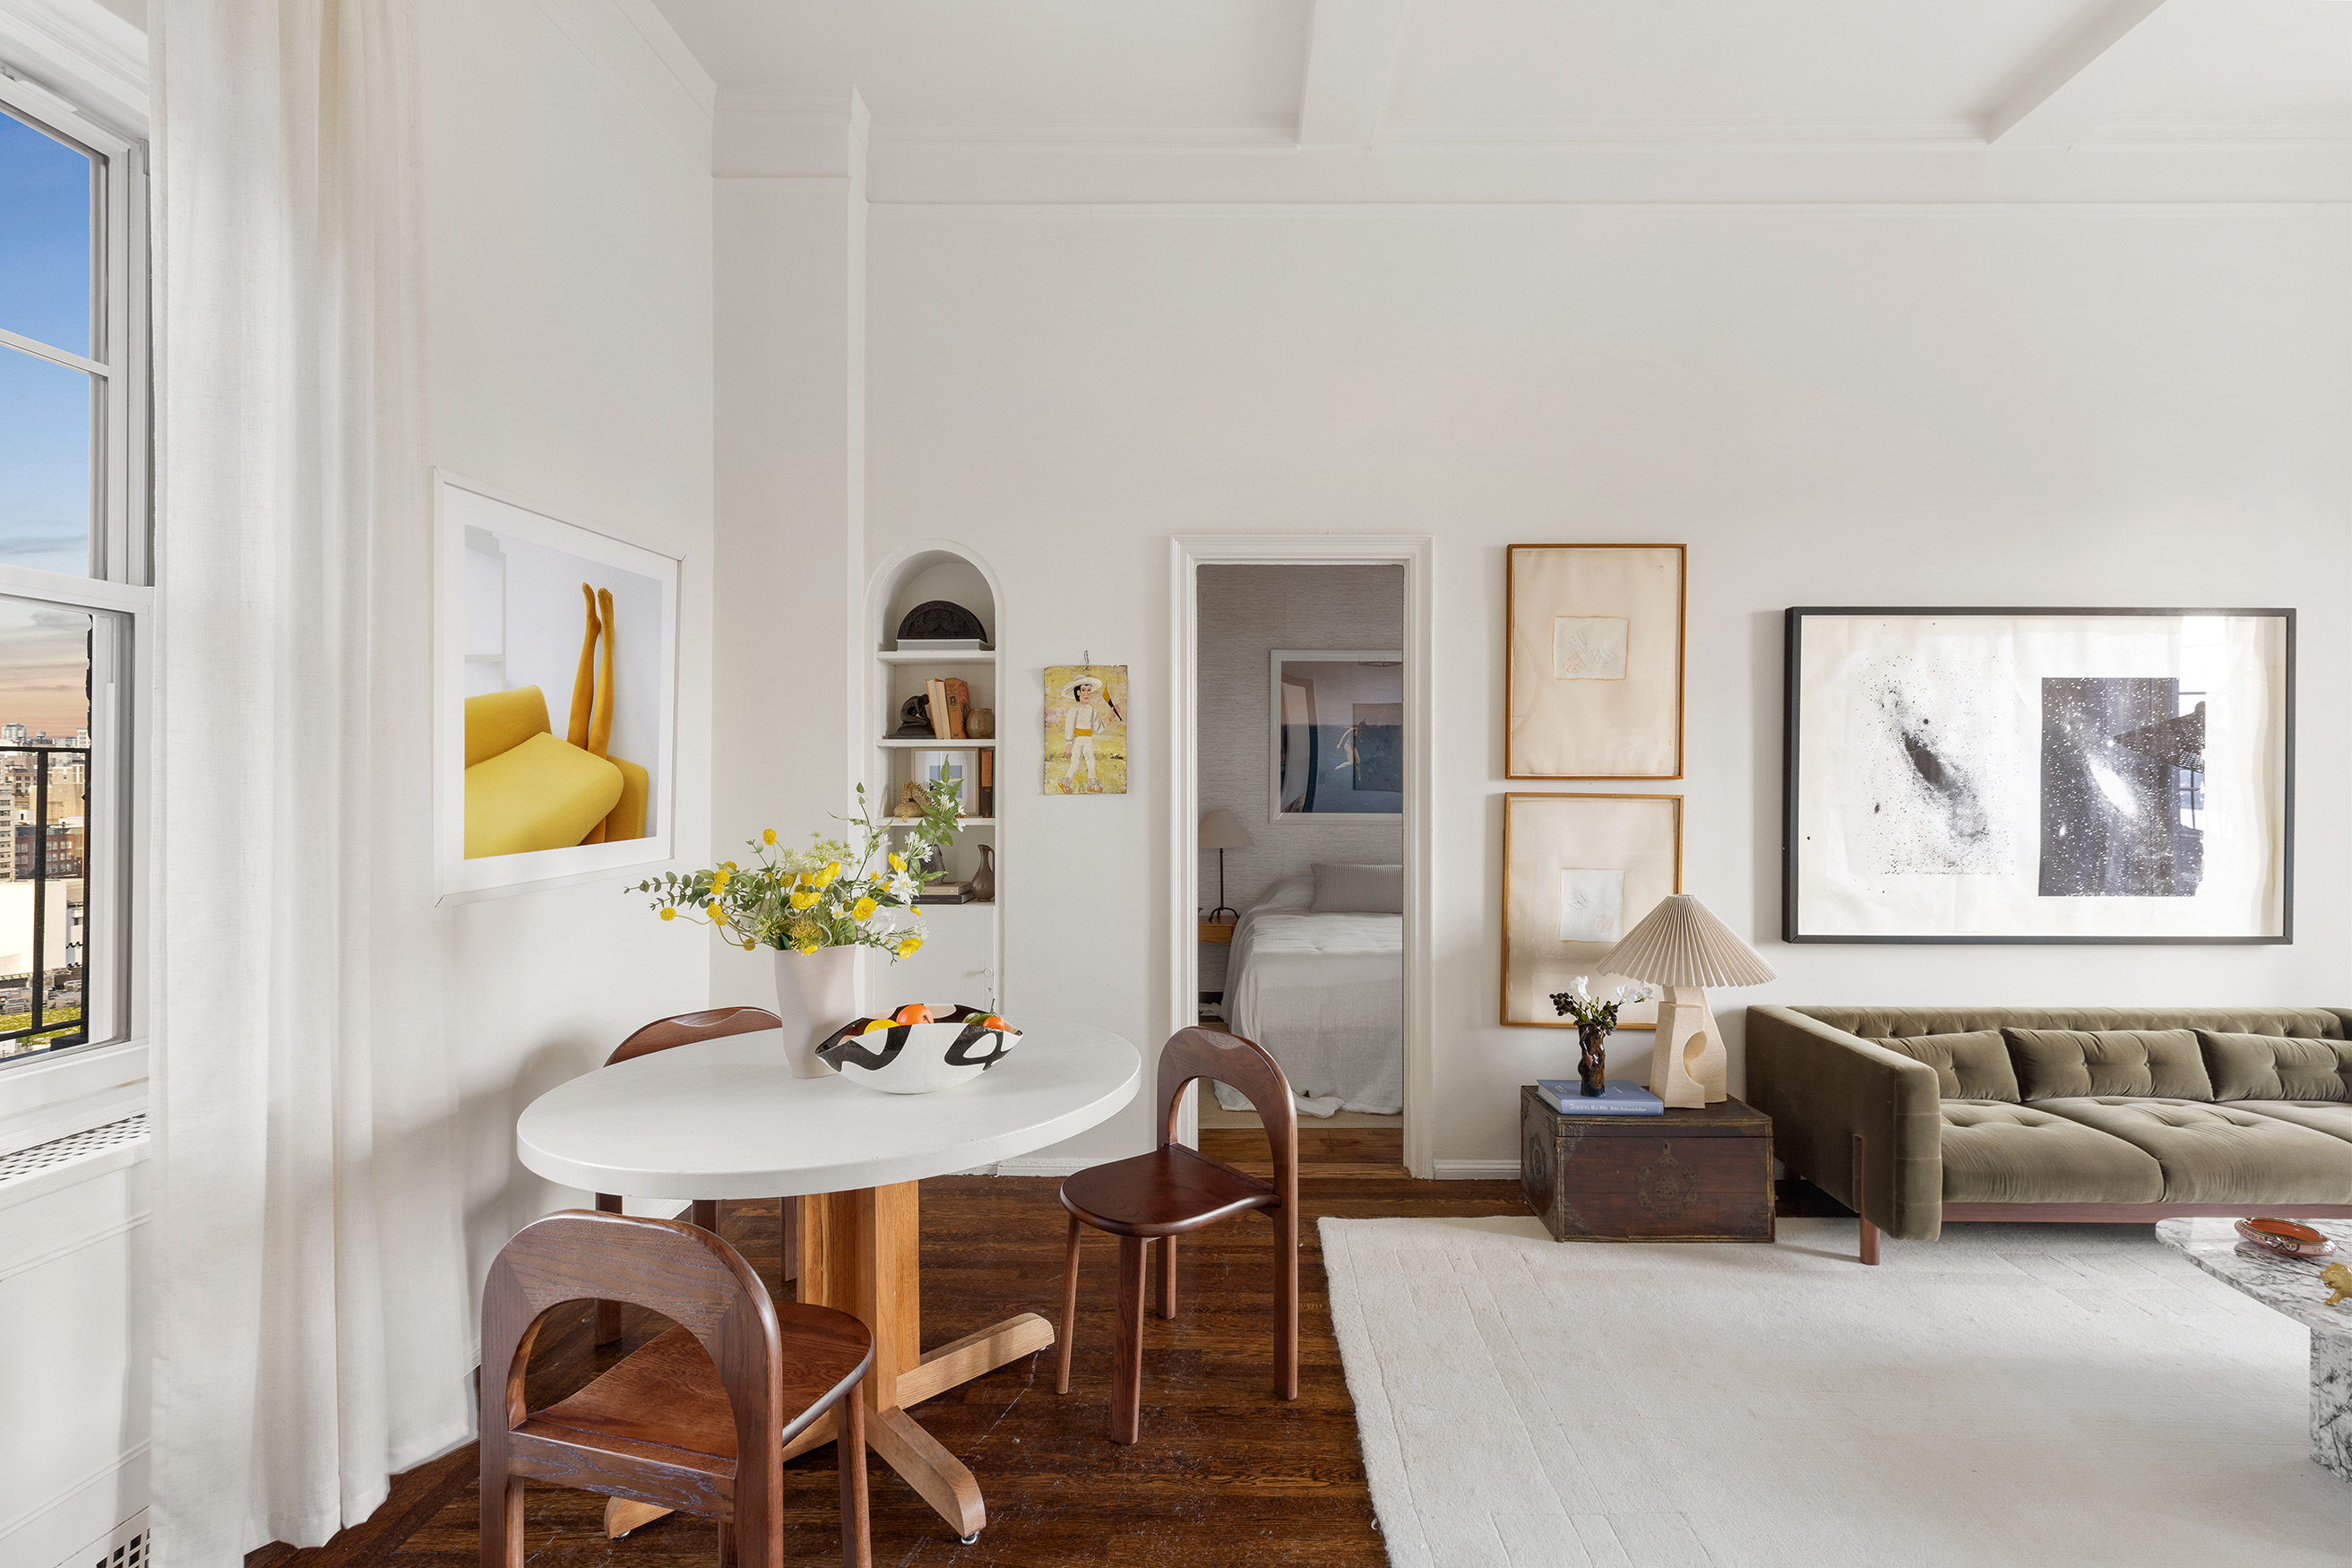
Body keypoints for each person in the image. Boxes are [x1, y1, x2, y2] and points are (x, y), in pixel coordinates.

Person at [1061, 675, 1122, 791]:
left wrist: (1111, 715)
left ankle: (1092, 786)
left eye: (1089, 690)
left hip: (1088, 740)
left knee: (1092, 762)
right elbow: (1069, 729)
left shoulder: (1093, 710)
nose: (1087, 693)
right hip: (1077, 740)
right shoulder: (1074, 710)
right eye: (1083, 690)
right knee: (1075, 764)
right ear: (1078, 692)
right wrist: (1068, 746)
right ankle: (1065, 783)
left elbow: (1098, 727)